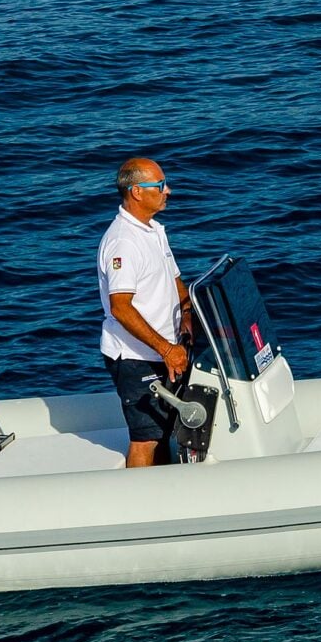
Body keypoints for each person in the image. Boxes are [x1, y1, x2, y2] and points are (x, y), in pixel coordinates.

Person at [97, 157, 192, 467]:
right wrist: (166, 349)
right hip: (137, 357)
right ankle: (139, 502)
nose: (169, 191)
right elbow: (120, 308)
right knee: (145, 438)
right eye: (160, 186)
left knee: (165, 430)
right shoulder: (124, 242)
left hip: (167, 350)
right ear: (137, 191)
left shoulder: (153, 231)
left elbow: (174, 279)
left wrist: (188, 317)